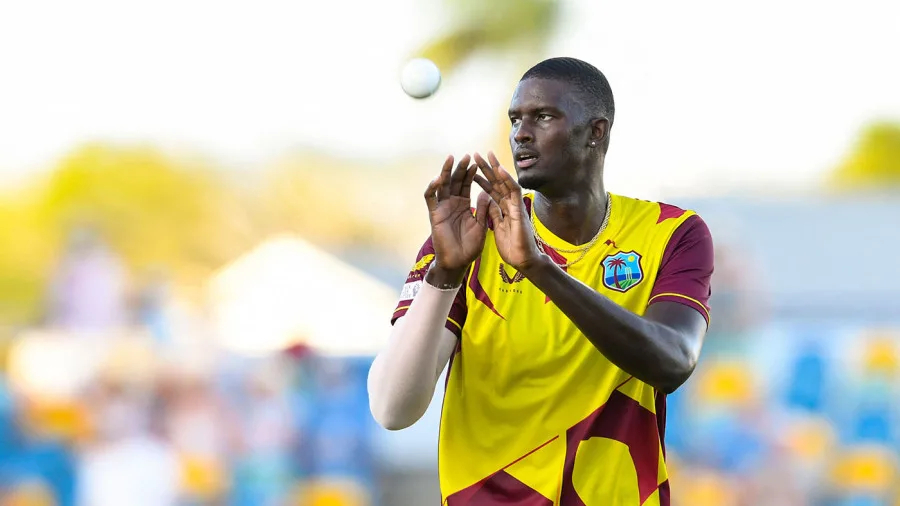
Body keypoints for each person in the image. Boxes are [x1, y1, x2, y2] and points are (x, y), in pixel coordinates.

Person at [368, 57, 714, 505]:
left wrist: (539, 268)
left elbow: (673, 361)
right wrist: (445, 275)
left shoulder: (672, 233)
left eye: (543, 117)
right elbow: (392, 409)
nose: (520, 134)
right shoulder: (469, 238)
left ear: (596, 131)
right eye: (515, 120)